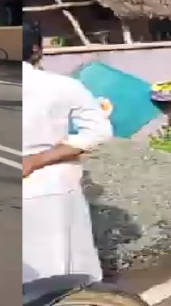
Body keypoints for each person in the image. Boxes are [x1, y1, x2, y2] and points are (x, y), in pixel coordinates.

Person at [21, 18, 112, 286]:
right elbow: (98, 131)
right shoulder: (63, 86)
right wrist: (36, 160)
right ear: (37, 50)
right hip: (50, 186)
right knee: (59, 269)